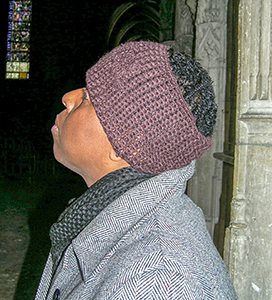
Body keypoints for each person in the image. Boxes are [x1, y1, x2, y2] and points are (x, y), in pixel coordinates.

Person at [35, 41, 237, 299]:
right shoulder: (120, 215)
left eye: (87, 98)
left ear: (128, 144)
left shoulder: (153, 282)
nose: (68, 97)